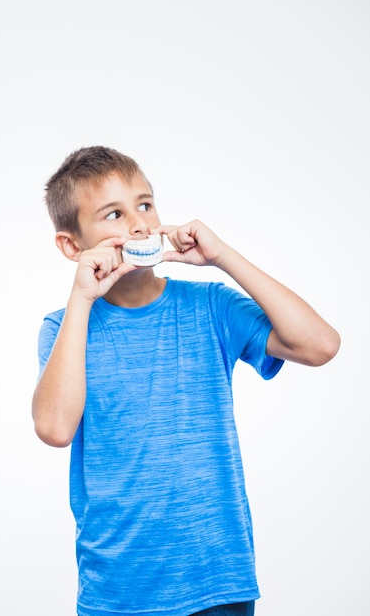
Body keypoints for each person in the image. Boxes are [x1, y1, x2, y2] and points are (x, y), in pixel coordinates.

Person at [32, 146, 340, 616]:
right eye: (113, 213)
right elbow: (54, 429)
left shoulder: (211, 306)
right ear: (72, 246)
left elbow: (320, 345)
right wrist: (81, 297)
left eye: (145, 204)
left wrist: (223, 258)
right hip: (119, 588)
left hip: (218, 580)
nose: (138, 223)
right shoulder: (63, 329)